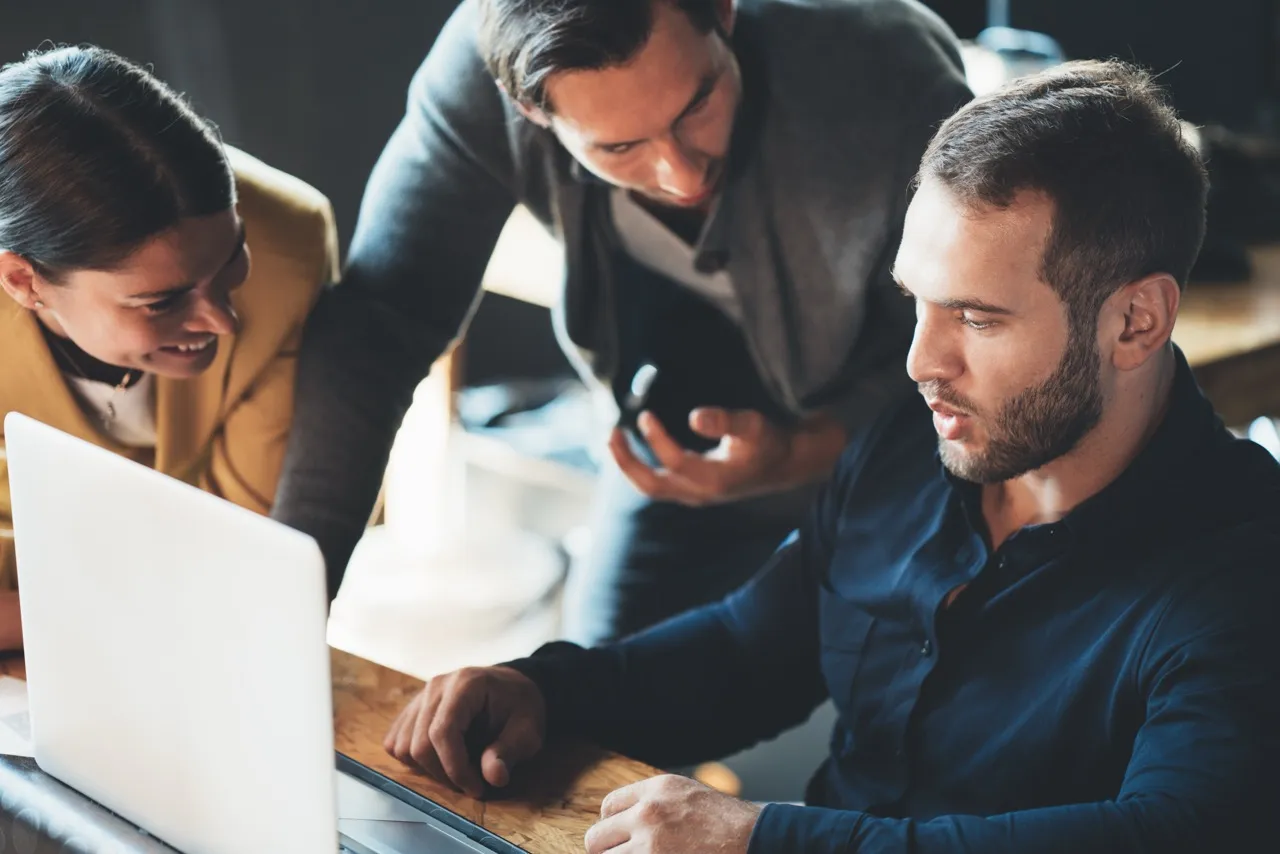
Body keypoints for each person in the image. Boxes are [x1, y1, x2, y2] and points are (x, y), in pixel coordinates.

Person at [380, 60, 1280, 853]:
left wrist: (765, 841)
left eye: (977, 317)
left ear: (1136, 321)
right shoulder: (915, 441)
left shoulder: (1244, 565)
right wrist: (544, 690)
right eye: (917, 302)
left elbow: (1177, 834)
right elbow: (749, 647)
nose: (921, 361)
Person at [270, 0, 972, 642]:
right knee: (588, 712)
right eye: (619, 148)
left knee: (906, 721)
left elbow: (985, 353)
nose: (681, 176)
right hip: (673, 472)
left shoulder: (886, 70)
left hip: (913, 454)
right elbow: (382, 325)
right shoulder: (484, 73)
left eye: (697, 104)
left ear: (722, 11)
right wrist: (292, 597)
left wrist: (810, 451)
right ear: (529, 110)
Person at [0, 46, 338, 651]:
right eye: (162, 301)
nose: (224, 321)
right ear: (23, 281)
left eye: (233, 260)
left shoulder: (293, 244)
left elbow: (247, 555)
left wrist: (43, 613)